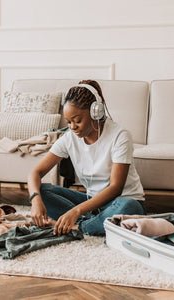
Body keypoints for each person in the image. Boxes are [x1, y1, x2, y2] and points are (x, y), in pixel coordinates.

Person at [27, 80, 146, 236]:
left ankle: (78, 227)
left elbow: (116, 188)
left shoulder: (120, 136)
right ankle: (96, 223)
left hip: (121, 201)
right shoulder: (69, 138)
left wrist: (76, 211)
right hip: (91, 203)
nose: (72, 127)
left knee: (128, 207)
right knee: (42, 190)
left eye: (77, 121)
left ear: (95, 112)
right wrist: (35, 199)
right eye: (68, 122)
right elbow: (35, 173)